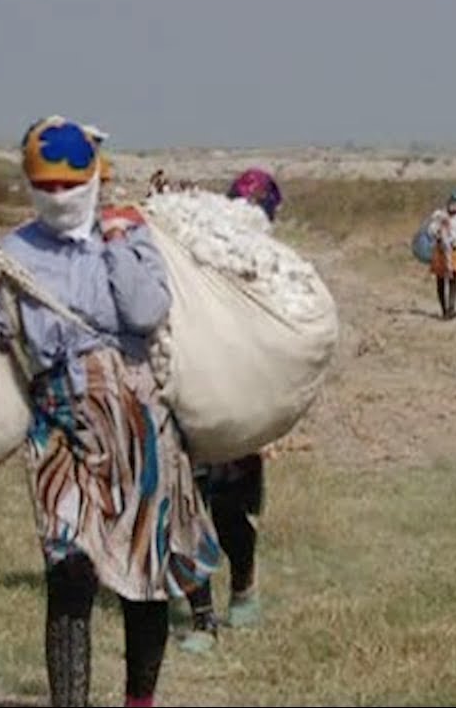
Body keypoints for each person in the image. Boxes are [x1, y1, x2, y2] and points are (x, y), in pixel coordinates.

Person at [0, 116, 219, 708]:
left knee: (142, 580)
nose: (60, 198)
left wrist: (116, 243)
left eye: (72, 186)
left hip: (139, 430)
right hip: (60, 431)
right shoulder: (12, 254)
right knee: (68, 575)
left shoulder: (130, 235)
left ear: (92, 180)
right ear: (32, 186)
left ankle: (139, 701)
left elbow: (145, 312)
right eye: (49, 187)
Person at [178, 167, 281, 654]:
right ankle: (202, 618)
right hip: (191, 399)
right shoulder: (201, 256)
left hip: (241, 411)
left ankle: (242, 587)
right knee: (181, 508)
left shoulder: (276, 273)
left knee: (230, 513)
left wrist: (273, 418)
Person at [427, 189, 456, 320]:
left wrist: (452, 242)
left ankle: (451, 307)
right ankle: (444, 309)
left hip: (455, 251)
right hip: (440, 251)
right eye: (452, 202)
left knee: (453, 279)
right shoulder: (440, 217)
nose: (453, 205)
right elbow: (430, 231)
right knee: (440, 281)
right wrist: (438, 232)